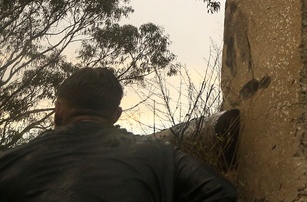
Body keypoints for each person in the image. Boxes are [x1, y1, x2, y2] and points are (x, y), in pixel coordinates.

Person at [0, 67, 237, 202]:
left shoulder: (11, 160)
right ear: (115, 115)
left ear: (58, 111)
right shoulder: (161, 154)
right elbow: (220, 192)